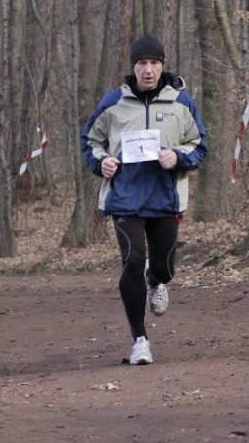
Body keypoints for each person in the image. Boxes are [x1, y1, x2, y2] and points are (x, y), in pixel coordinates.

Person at [80, 35, 208, 365]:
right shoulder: (113, 103)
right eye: (141, 63)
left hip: (165, 198)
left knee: (164, 268)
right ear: (133, 67)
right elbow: (91, 142)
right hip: (125, 198)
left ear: (162, 66)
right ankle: (140, 339)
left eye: (153, 63)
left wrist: (178, 157)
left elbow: (200, 145)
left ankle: (156, 279)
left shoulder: (181, 103)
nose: (148, 70)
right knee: (133, 261)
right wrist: (101, 162)